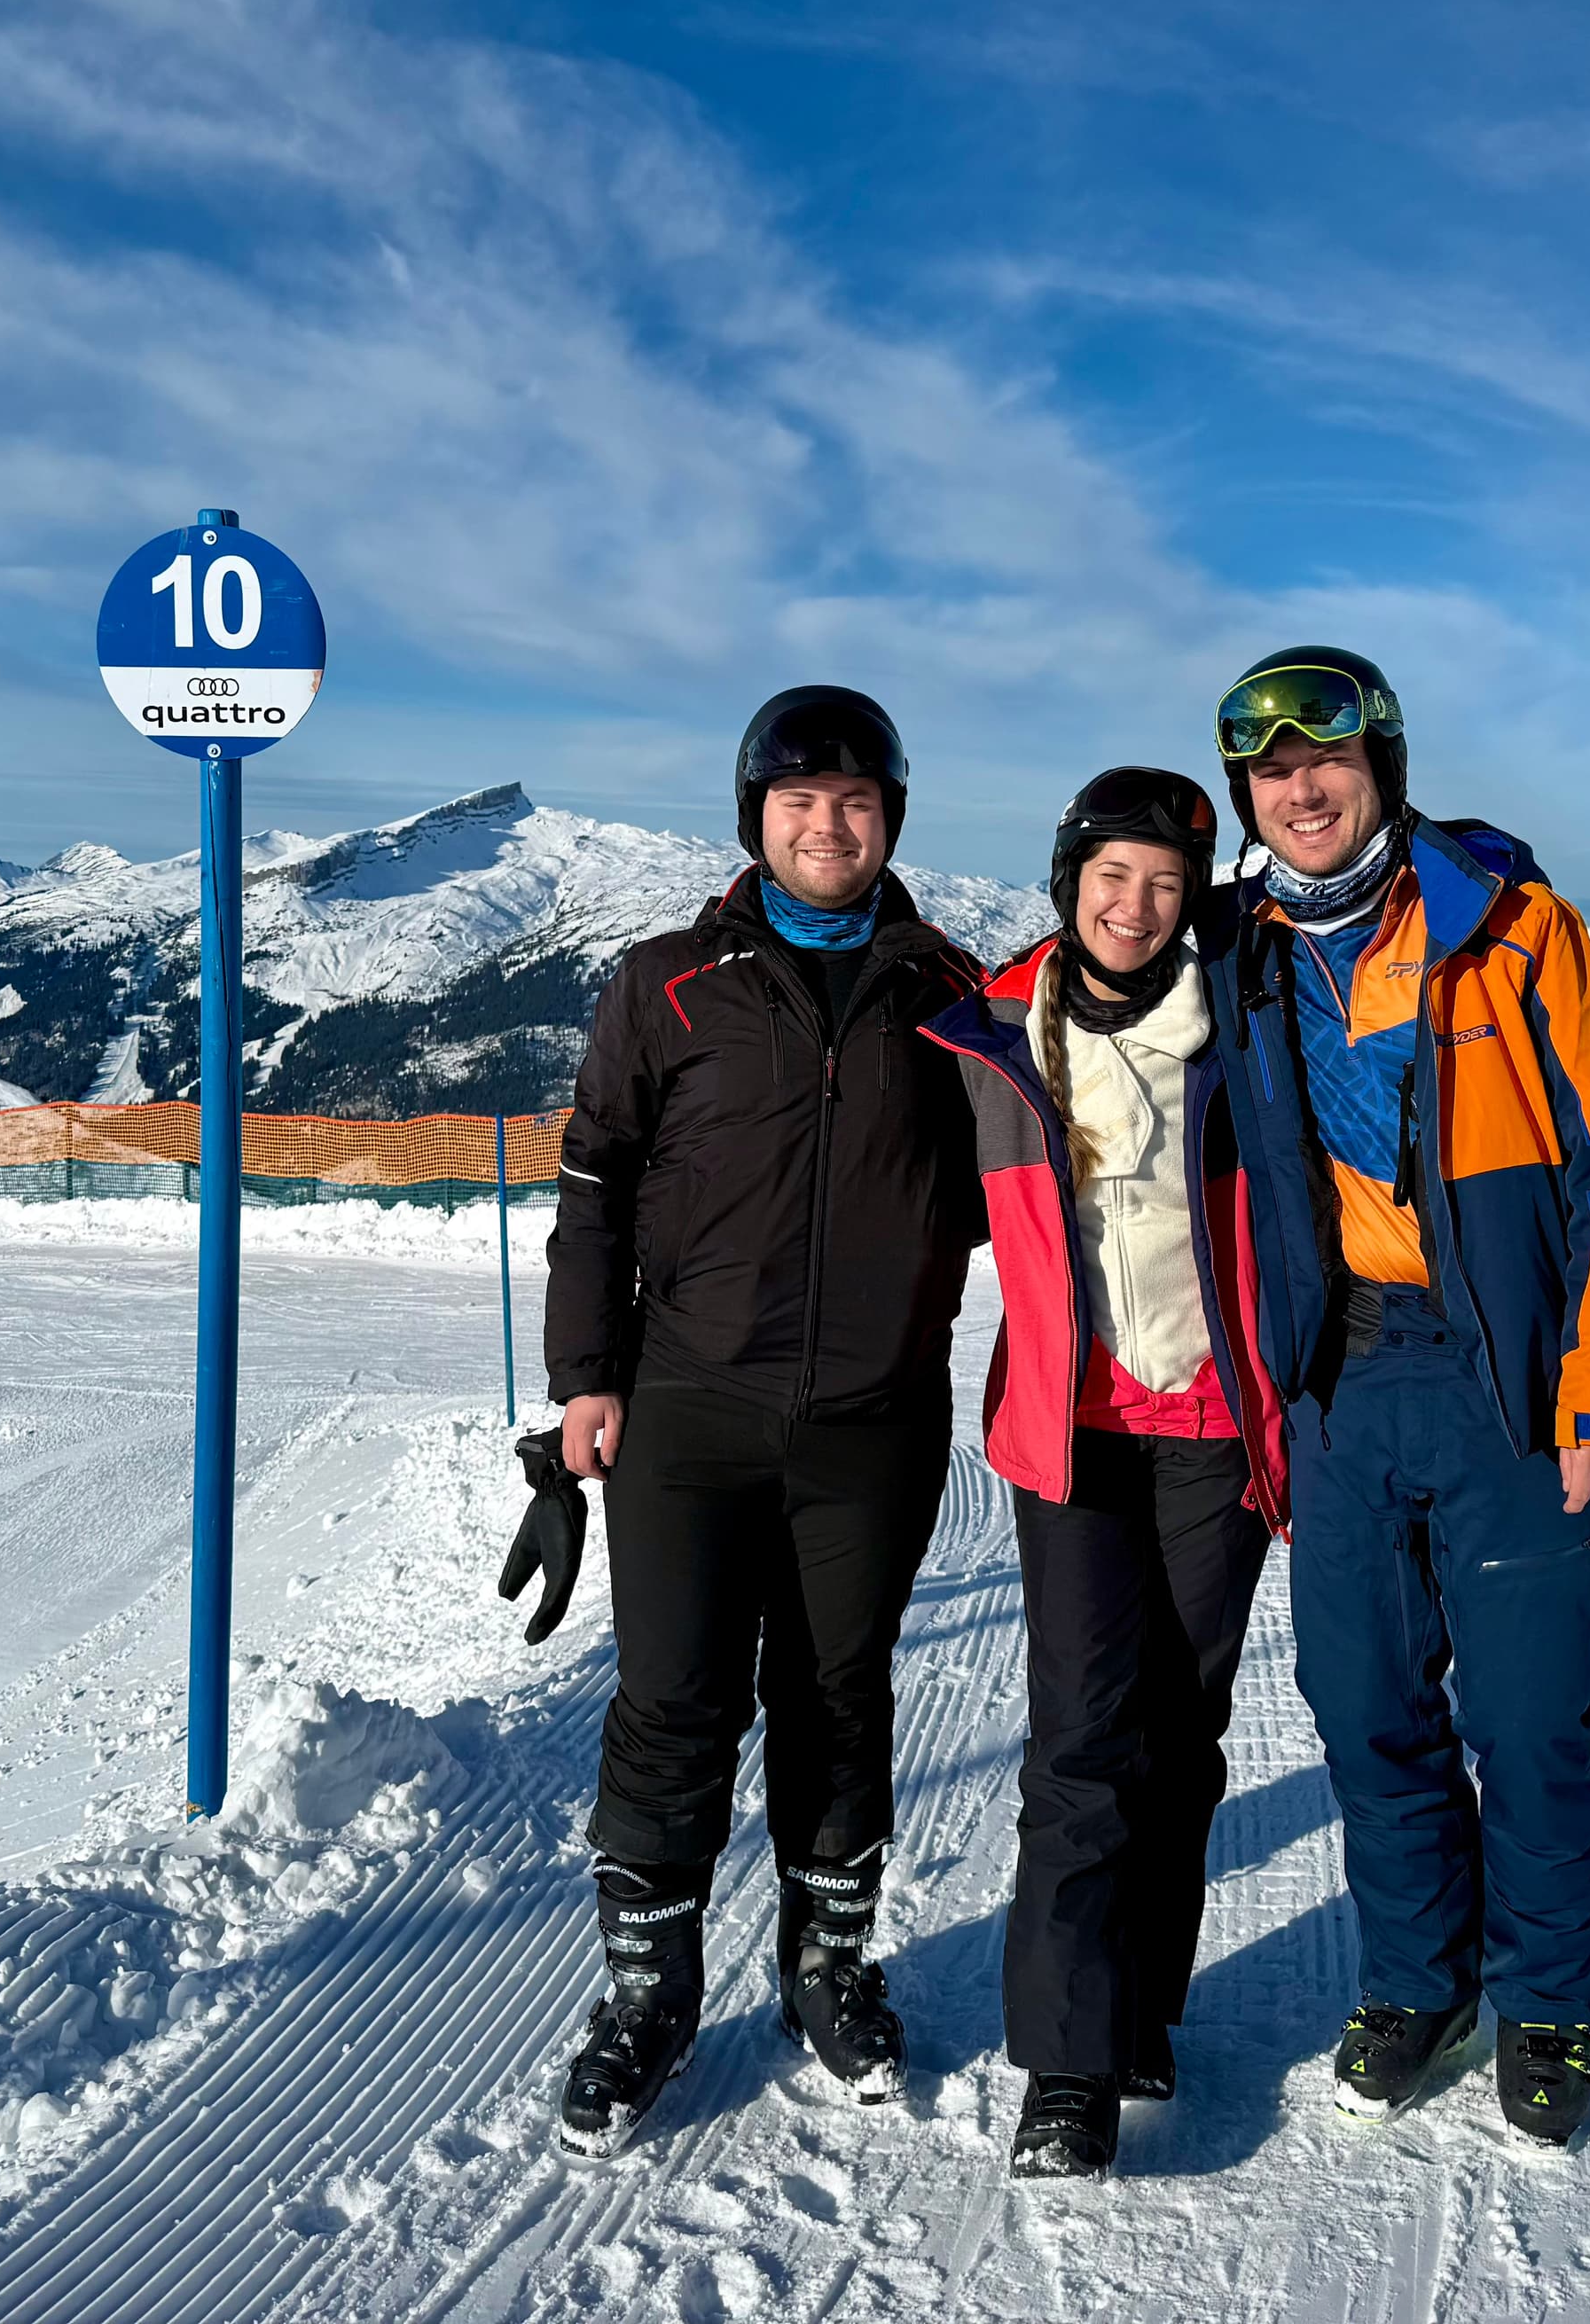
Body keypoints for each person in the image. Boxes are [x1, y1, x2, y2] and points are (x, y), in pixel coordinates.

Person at [1198, 645, 1590, 2146]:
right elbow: (1069, 989)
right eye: (1268, 772)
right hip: (1342, 1384)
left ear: (1382, 766)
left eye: (1322, 759)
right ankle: (1423, 1979)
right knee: (1365, 1711)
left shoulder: (1513, 927)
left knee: (1528, 1716)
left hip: (1502, 1381)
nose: (1298, 786)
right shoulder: (1244, 948)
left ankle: (1548, 2002)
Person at [535, 685, 986, 2159]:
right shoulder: (665, 984)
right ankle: (650, 1997)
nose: (828, 823)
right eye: (799, 799)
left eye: (856, 800)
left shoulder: (952, 993)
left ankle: (826, 1968)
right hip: (690, 1411)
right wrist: (583, 1380)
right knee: (673, 1703)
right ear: (756, 818)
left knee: (839, 1698)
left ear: (890, 821)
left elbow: (1034, 1200)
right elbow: (596, 1183)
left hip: (872, 1420)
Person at [920, 767, 1287, 2179]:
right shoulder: (994, 1035)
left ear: (1195, 897)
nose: (1133, 907)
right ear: (1068, 879)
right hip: (1068, 1431)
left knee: (1183, 1731)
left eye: (1164, 882)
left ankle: (1143, 2012)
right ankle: (1067, 2064)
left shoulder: (1247, 1028)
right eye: (1110, 876)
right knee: (1081, 1737)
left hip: (1213, 1426)